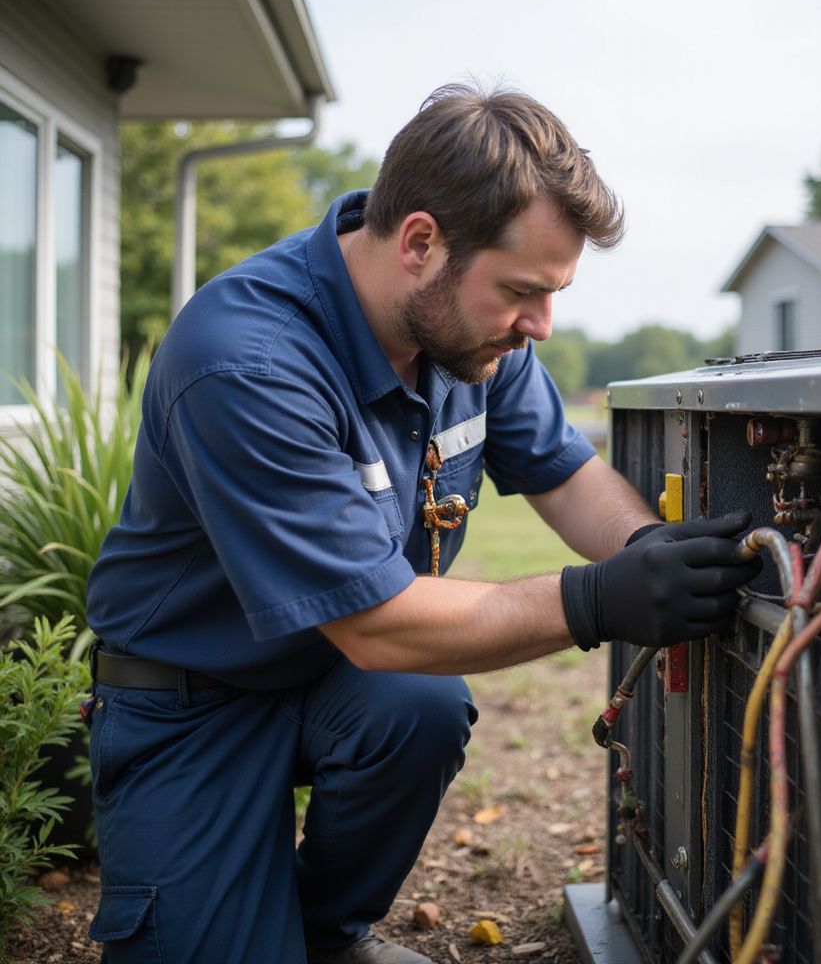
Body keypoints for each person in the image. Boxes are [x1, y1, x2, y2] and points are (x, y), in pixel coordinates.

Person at [84, 84, 759, 964]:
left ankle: (330, 936)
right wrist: (599, 600)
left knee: (421, 704)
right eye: (524, 291)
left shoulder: (472, 340)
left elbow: (565, 475)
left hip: (342, 682)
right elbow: (374, 624)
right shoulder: (245, 359)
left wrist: (644, 550)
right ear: (419, 243)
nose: (542, 326)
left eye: (554, 294)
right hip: (192, 698)